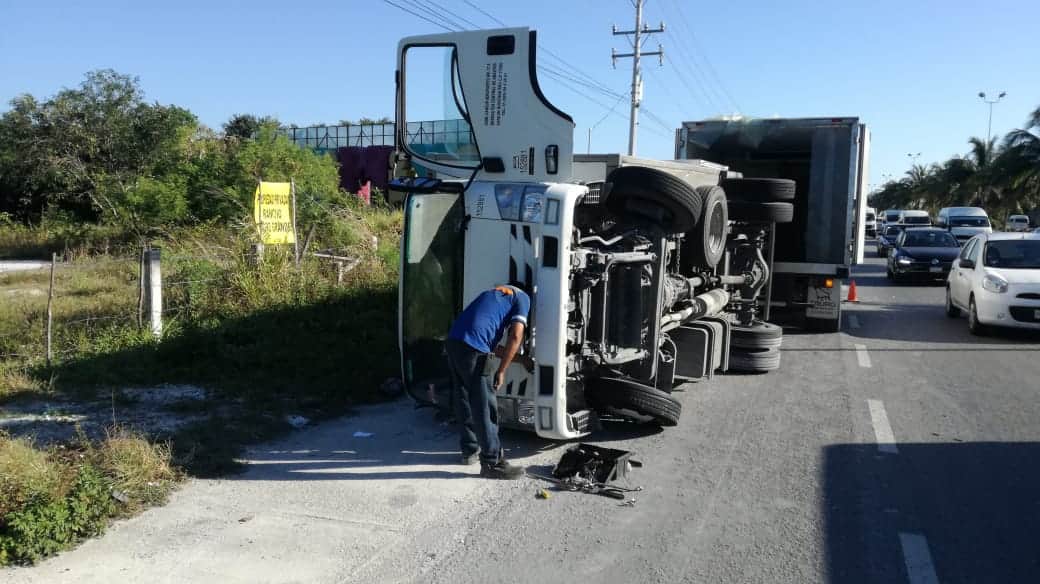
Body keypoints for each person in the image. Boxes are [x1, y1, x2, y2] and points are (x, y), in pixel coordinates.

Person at [445, 284, 532, 479]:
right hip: (474, 348)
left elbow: (493, 347)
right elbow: (516, 336)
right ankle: (492, 463)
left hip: (454, 342)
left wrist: (521, 360)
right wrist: (501, 371)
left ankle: (469, 450)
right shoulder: (523, 297)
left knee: (464, 398)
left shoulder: (493, 294)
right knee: (485, 405)